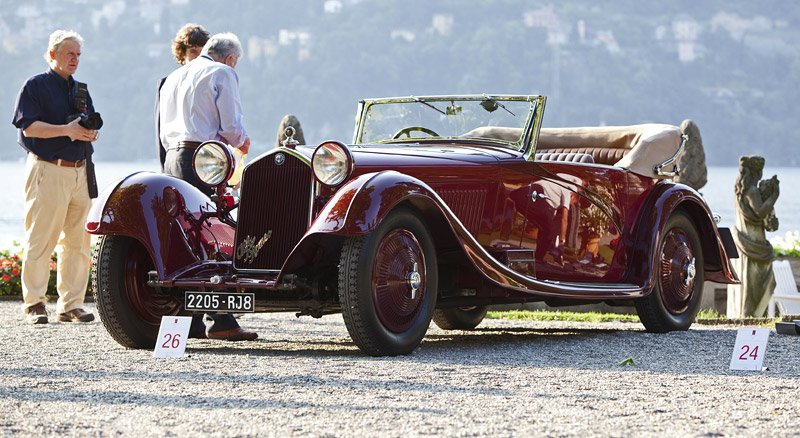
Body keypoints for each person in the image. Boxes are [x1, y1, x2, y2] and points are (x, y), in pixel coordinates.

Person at [158, 31, 256, 341]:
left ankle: (191, 321)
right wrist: (244, 143)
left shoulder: (173, 76)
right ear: (230, 59)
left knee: (185, 237)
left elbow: (163, 130)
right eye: (235, 63)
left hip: (173, 156)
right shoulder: (222, 72)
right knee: (212, 233)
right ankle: (222, 319)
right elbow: (231, 126)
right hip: (203, 158)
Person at [11, 30, 99, 324]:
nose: (75, 59)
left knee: (78, 242)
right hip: (47, 169)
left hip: (79, 171)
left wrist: (89, 133)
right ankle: (34, 304)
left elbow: (88, 125)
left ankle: (71, 304)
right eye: (69, 54)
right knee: (41, 238)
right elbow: (29, 128)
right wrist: (67, 130)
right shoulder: (34, 85)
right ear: (52, 54)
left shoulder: (82, 90)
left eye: (78, 54)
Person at [727, 156, 780, 317]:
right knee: (756, 283)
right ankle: (752, 315)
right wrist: (774, 196)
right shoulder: (751, 191)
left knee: (748, 283)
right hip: (753, 244)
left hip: (743, 242)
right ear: (756, 173)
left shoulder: (739, 193)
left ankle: (744, 313)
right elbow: (760, 212)